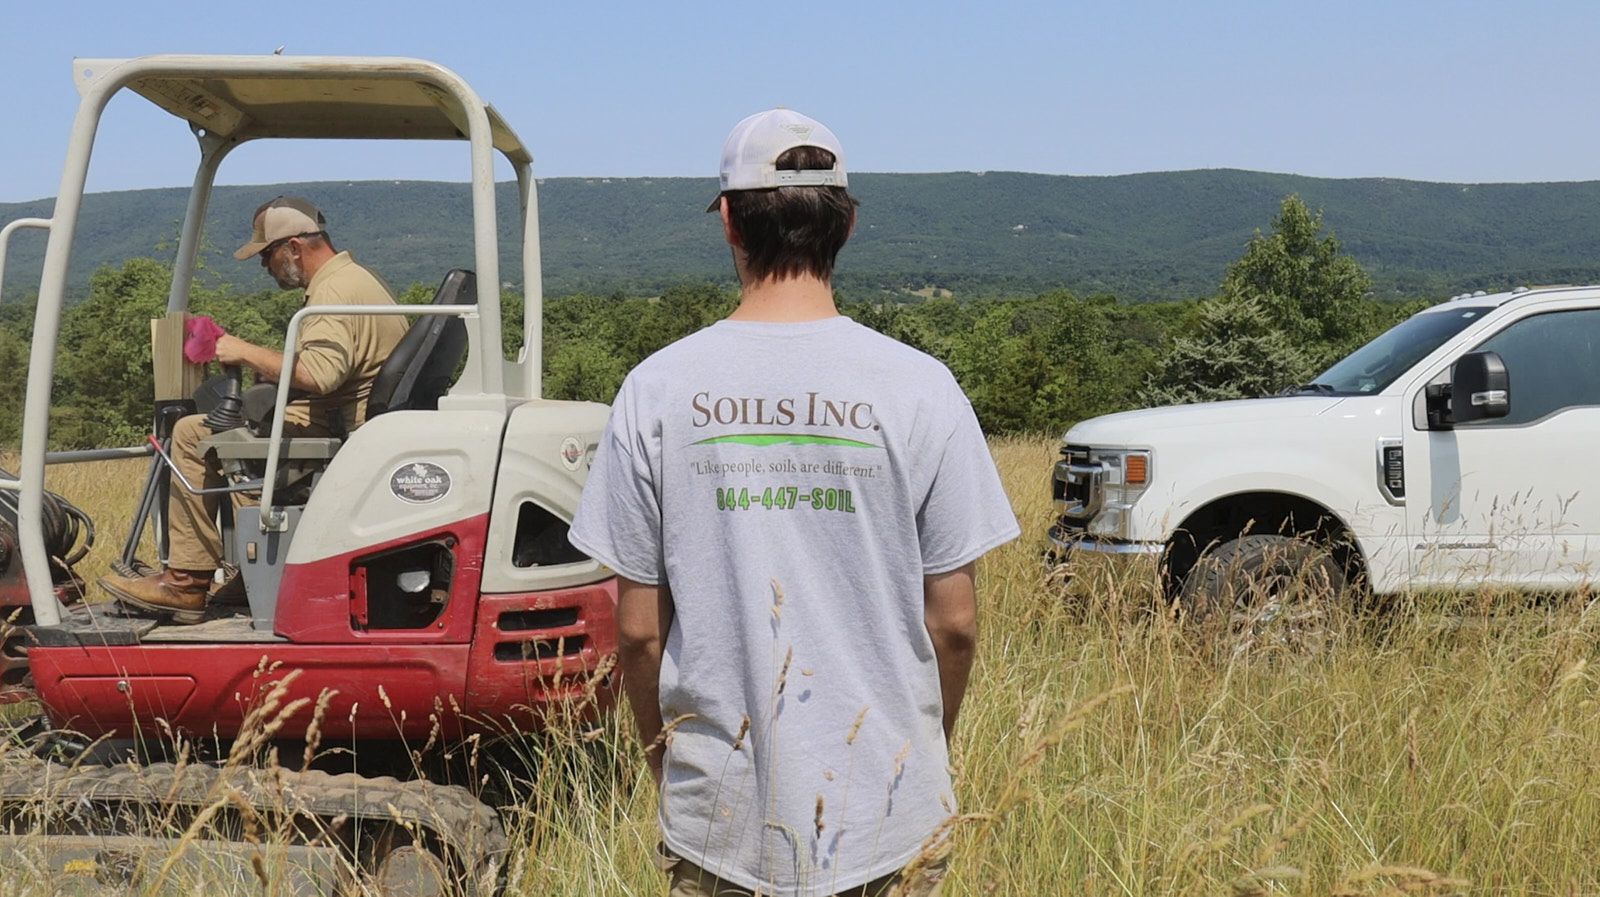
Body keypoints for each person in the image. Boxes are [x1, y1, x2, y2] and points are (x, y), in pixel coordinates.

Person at [568, 110, 1020, 897]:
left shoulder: (657, 389)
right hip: (891, 813)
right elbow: (954, 622)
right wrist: (919, 749)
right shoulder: (921, 386)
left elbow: (639, 632)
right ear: (845, 225)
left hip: (721, 821)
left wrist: (666, 767)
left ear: (730, 224)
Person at [100, 196, 408, 624]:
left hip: (337, 433)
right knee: (243, 436)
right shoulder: (358, 279)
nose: (265, 266)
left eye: (267, 255)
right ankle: (253, 572)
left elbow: (321, 374)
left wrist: (242, 351)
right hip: (355, 426)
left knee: (191, 433)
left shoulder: (332, 292)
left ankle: (185, 583)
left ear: (294, 248)